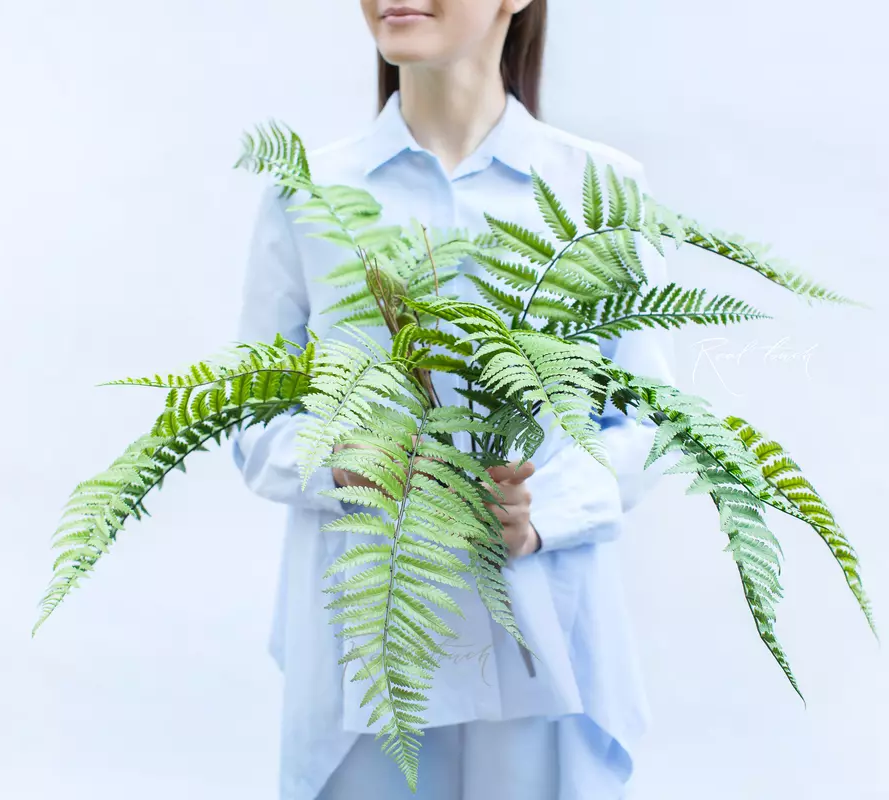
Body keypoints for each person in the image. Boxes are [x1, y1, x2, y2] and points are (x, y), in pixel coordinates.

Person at [232, 2, 675, 797]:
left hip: (544, 640)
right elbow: (252, 417)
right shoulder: (314, 195)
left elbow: (650, 422)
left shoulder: (597, 191)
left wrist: (542, 509)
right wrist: (345, 465)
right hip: (368, 649)